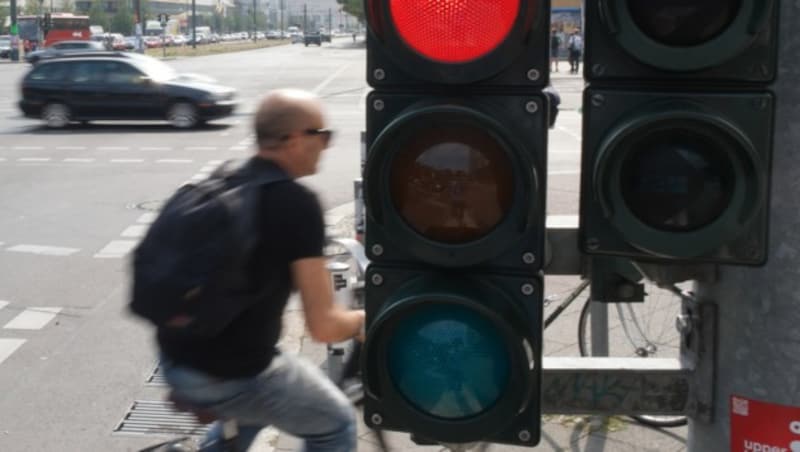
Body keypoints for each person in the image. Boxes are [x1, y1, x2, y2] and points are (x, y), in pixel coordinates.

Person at [158, 89, 365, 452]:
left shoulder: (224, 179)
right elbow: (324, 326)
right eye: (323, 135)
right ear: (295, 138)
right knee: (336, 424)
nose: (327, 145)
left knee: (257, 411)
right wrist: (367, 320)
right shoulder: (296, 203)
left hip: (177, 358)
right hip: (231, 372)